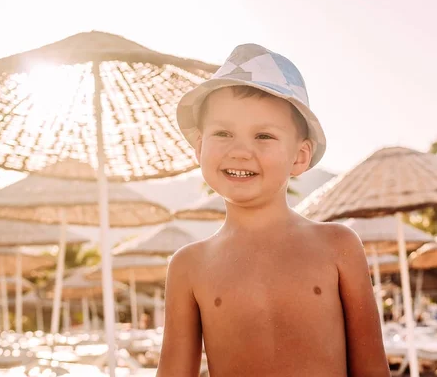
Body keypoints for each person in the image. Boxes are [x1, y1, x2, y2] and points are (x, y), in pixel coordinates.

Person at [157, 44, 389, 376]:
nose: (239, 151)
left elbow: (372, 369)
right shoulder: (188, 267)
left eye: (263, 135)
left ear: (300, 156)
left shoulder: (338, 246)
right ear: (200, 147)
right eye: (222, 133)